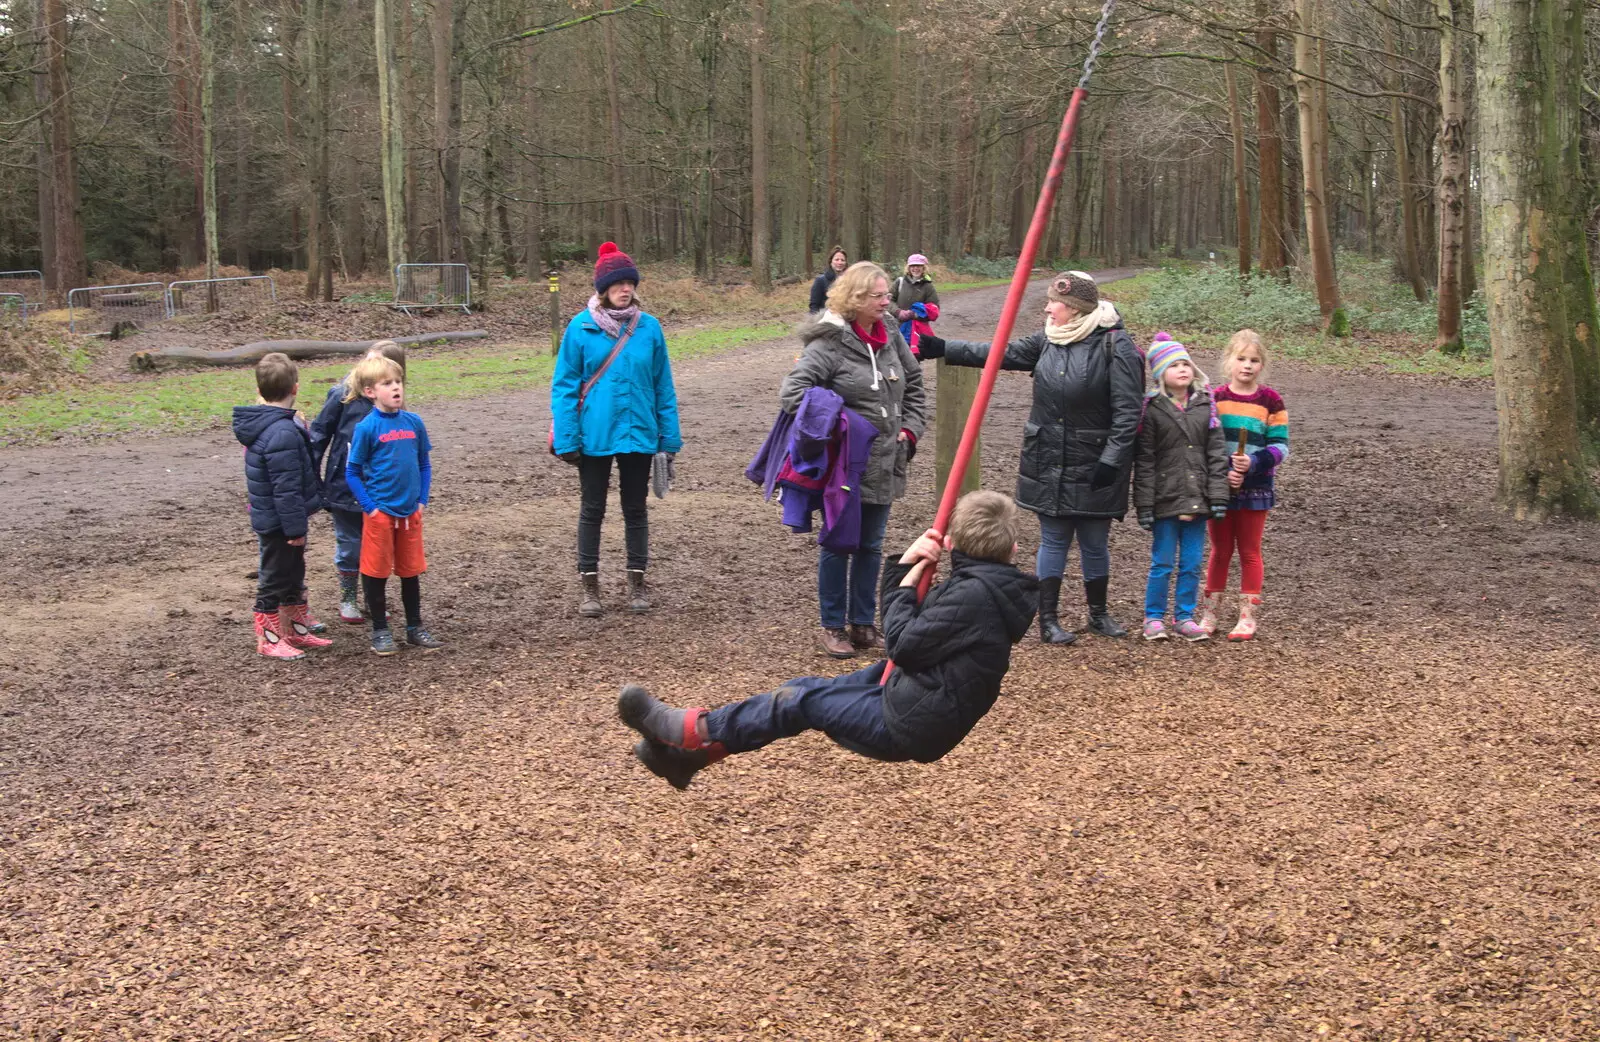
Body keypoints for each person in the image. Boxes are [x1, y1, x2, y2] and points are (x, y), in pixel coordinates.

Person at [617, 490, 1037, 790]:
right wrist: (905, 570)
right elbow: (918, 632)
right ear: (1013, 549)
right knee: (802, 691)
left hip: (909, 720)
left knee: (801, 702)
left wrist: (908, 570)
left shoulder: (973, 596)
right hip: (915, 693)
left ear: (949, 543)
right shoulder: (983, 587)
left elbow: (903, 642)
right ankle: (691, 757)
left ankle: (691, 731)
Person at [918, 270, 1143, 645]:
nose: (1048, 307)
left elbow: (1128, 412)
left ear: (1074, 308)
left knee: (1094, 540)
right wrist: (944, 347)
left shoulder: (1115, 346)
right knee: (1053, 539)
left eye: (1054, 302)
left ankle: (1099, 615)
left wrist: (1113, 459)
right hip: (1048, 457)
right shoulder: (1049, 340)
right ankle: (1049, 620)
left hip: (1095, 462)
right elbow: (1001, 353)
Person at [782, 260, 927, 658]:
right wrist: (843, 427)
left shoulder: (892, 335)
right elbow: (794, 394)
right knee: (838, 544)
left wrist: (909, 431)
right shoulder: (828, 343)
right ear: (856, 299)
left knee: (871, 545)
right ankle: (832, 626)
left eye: (887, 295)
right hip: (844, 466)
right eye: (878, 296)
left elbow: (914, 384)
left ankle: (863, 624)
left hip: (886, 459)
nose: (887, 302)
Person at [551, 241, 682, 617]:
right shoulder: (580, 328)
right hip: (593, 435)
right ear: (603, 289)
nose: (626, 289)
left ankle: (636, 582)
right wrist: (567, 437)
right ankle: (589, 587)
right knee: (592, 509)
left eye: (630, 283)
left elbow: (663, 386)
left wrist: (668, 438)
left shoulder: (650, 328)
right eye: (618, 283)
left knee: (635, 509)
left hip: (640, 432)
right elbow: (564, 386)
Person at [233, 352, 332, 660]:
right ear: (296, 389)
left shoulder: (283, 426)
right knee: (275, 576)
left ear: (260, 392)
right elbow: (286, 487)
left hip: (282, 517)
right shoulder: (281, 433)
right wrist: (294, 527)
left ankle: (295, 629)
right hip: (280, 521)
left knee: (293, 572)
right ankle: (269, 637)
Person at [345, 355, 443, 656]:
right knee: (375, 572)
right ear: (370, 392)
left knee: (410, 570)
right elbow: (352, 471)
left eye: (398, 381)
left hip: (410, 512)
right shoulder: (366, 428)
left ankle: (414, 627)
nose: (396, 388)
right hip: (380, 514)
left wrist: (422, 500)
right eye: (387, 383)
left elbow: (424, 464)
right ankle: (380, 631)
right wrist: (370, 508)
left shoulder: (414, 423)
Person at [1133, 338, 1229, 641]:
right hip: (1165, 498)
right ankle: (1153, 616)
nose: (1182, 369)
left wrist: (1218, 496)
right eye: (1174, 364)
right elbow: (1144, 460)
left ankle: (1184, 615)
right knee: (1162, 562)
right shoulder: (1151, 409)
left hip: (1198, 497)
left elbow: (1217, 454)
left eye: (1185, 363)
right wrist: (1144, 505)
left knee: (1191, 562)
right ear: (1161, 372)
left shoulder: (1206, 403)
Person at [310, 339, 407, 624]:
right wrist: (313, 479)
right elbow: (319, 435)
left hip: (381, 491)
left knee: (377, 547)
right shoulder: (342, 395)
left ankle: (372, 598)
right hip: (344, 488)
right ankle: (348, 598)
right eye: (368, 360)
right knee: (350, 544)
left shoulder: (395, 405)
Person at [1203, 329, 1289, 641]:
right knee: (1220, 550)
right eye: (1241, 358)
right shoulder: (1215, 398)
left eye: (1254, 360)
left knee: (1250, 551)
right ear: (1229, 361)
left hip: (1256, 489)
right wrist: (1225, 468)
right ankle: (1210, 613)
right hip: (1220, 487)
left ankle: (1247, 617)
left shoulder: (1271, 401)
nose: (1247, 365)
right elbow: (1206, 445)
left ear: (1261, 365)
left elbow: (1281, 446)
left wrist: (1253, 463)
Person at [809, 246, 848, 313]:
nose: (840, 262)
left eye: (842, 260)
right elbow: (814, 306)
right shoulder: (820, 280)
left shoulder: (850, 280)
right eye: (837, 259)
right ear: (831, 262)